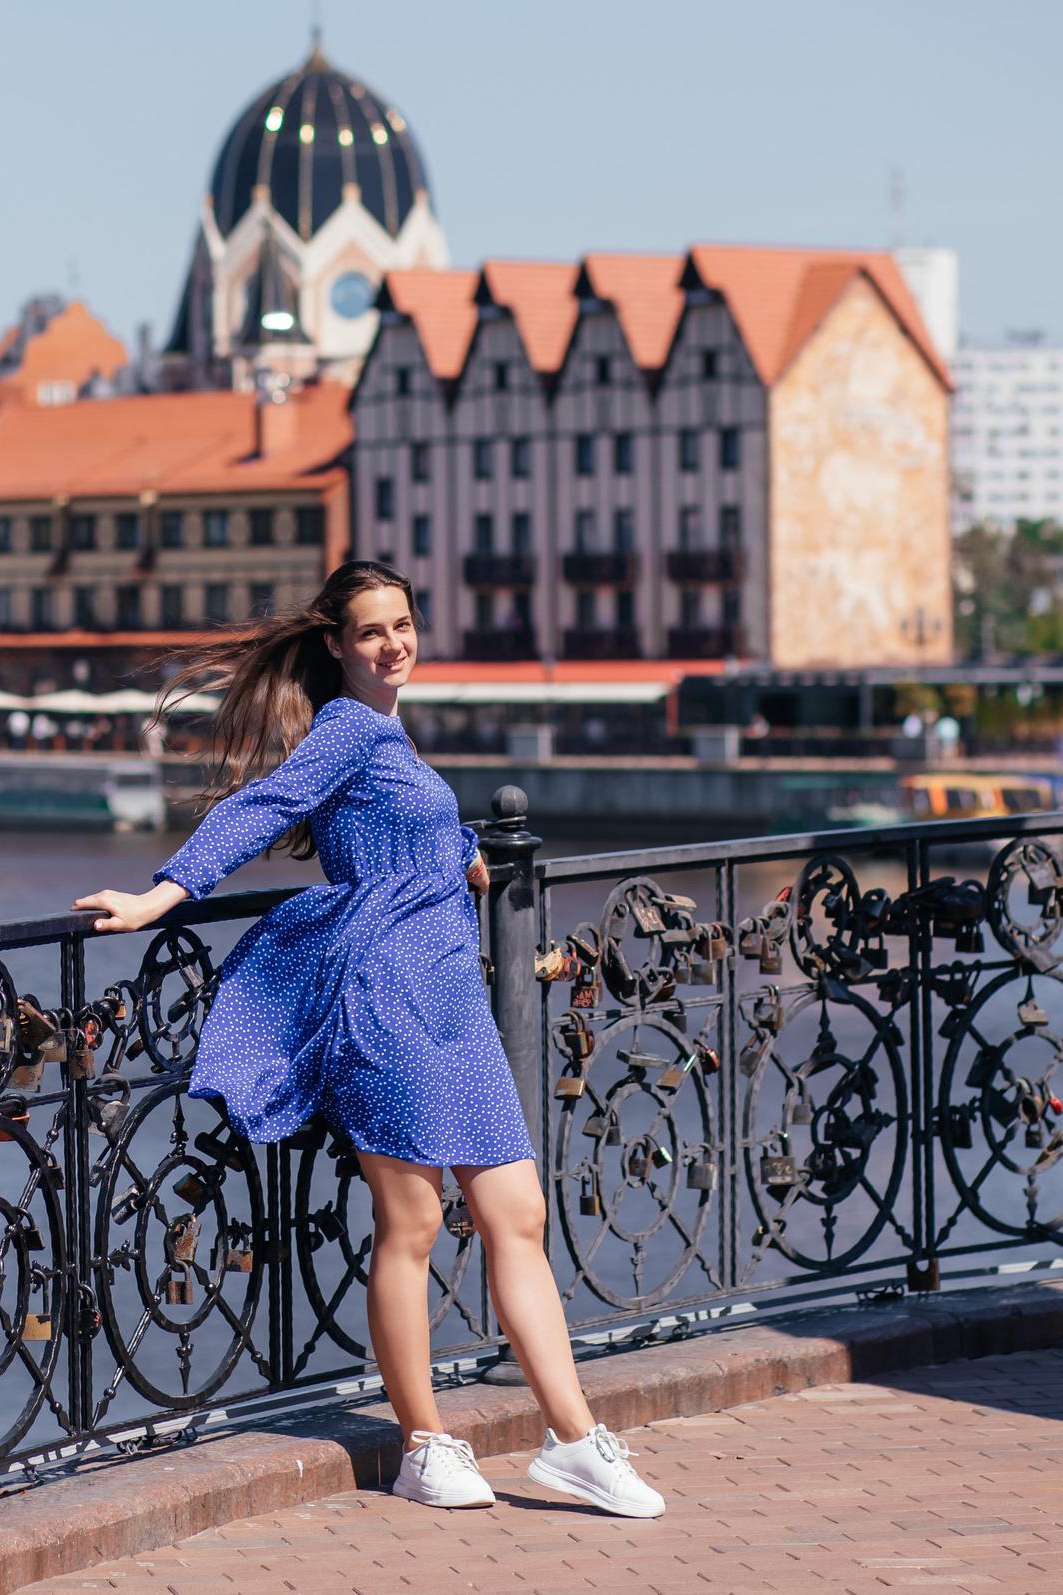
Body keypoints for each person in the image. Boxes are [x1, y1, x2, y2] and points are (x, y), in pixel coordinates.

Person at [72, 561, 665, 1518]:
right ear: (340, 646)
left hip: (450, 1001)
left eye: (404, 624)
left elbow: (395, 823)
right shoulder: (346, 729)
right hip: (385, 993)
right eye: (373, 631)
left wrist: (460, 849)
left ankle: (573, 1440)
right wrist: (162, 893)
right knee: (415, 1224)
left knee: (519, 1214)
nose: (395, 643)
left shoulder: (389, 731)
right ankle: (424, 1444)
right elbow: (261, 806)